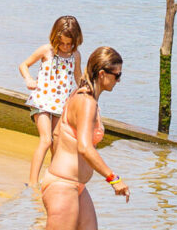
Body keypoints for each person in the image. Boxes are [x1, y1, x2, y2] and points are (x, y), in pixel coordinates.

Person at [41, 46, 129, 230]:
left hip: (76, 185)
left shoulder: (82, 96)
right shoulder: (86, 102)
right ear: (102, 74)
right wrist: (113, 179)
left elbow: (58, 134)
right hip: (63, 184)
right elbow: (85, 147)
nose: (119, 80)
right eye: (117, 75)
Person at [19, 16, 83, 191]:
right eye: (62, 43)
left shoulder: (75, 55)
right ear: (55, 37)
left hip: (61, 104)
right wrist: (28, 79)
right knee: (46, 140)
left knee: (57, 143)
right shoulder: (46, 50)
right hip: (41, 100)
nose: (65, 47)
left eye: (69, 44)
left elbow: (77, 76)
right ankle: (32, 182)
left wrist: (85, 91)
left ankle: (53, 178)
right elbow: (24, 65)